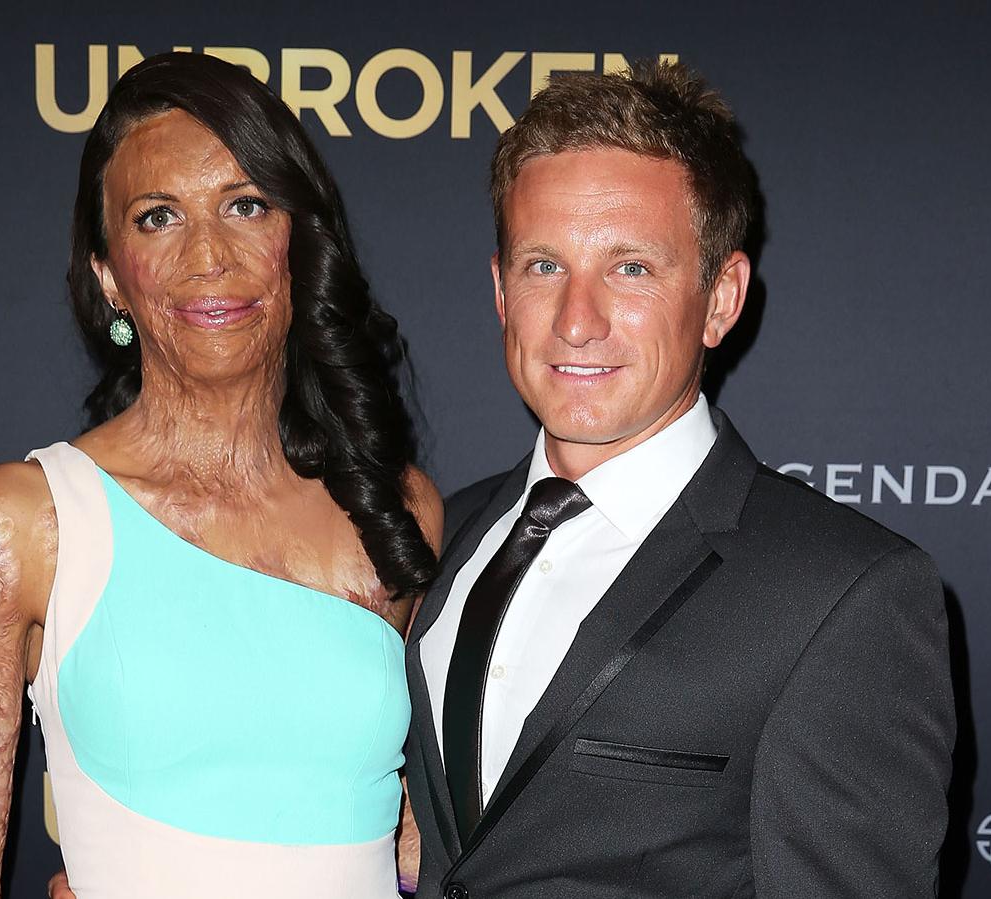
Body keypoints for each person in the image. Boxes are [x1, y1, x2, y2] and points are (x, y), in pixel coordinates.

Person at [404, 62, 956, 898]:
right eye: (543, 266)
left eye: (630, 268)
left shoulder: (844, 594)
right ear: (500, 290)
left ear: (721, 298)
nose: (577, 321)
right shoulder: (446, 532)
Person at [0, 52, 440, 899]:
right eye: (159, 217)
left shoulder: (393, 508)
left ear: (298, 245)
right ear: (108, 275)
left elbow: (402, 830)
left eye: (246, 205)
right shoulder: (24, 523)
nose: (209, 256)